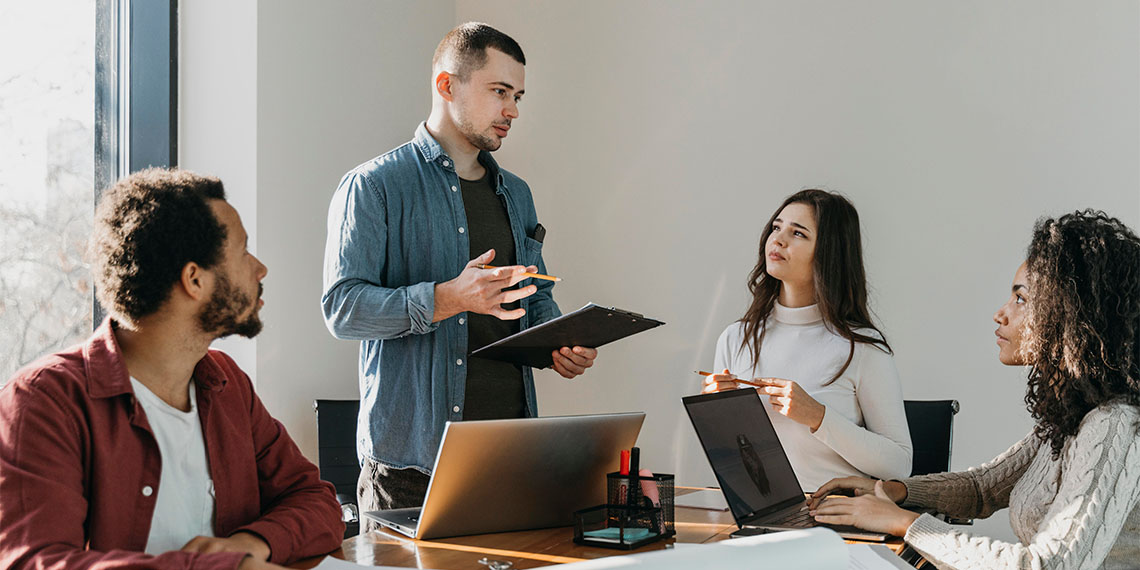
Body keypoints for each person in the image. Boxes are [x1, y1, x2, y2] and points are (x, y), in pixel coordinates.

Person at [321, 22, 597, 523]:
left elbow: (532, 295)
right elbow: (342, 310)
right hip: (410, 468)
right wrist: (448, 297)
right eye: (498, 92)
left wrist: (557, 340)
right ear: (447, 85)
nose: (512, 110)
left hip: (509, 452)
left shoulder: (517, 194)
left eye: (517, 96)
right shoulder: (374, 185)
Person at [0, 169, 344, 569]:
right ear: (194, 280)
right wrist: (221, 568)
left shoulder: (226, 382)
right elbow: (35, 561)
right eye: (244, 251)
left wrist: (253, 543)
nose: (260, 269)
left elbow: (315, 501)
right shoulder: (43, 400)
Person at [810, 210, 1140, 569]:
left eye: (1021, 299)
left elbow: (1047, 566)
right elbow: (983, 488)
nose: (1001, 314)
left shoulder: (1112, 426)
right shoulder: (1071, 414)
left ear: (1070, 315)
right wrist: (895, 491)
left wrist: (903, 523)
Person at [702, 189, 912, 490]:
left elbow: (899, 464)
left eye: (798, 233)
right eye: (776, 227)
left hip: (833, 518)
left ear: (829, 252)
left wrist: (817, 416)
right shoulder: (735, 338)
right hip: (753, 516)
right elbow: (727, 457)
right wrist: (714, 413)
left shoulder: (862, 347)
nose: (778, 240)